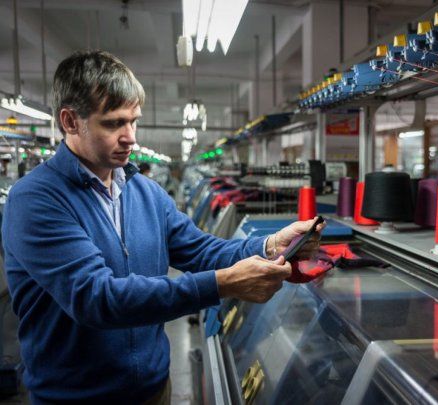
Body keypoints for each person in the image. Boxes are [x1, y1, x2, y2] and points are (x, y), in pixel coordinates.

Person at [1, 50, 324, 404]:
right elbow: (97, 298)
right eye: (113, 123)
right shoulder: (36, 200)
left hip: (154, 388)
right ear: (70, 121)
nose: (130, 137)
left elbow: (200, 250)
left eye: (133, 121)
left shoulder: (144, 192)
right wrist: (222, 284)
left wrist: (269, 246)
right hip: (77, 398)